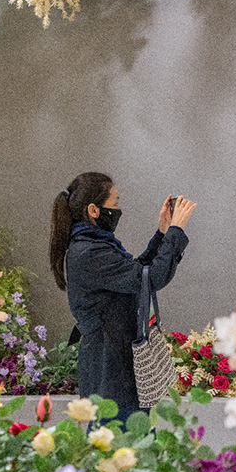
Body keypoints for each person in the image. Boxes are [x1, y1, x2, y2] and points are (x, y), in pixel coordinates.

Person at [49, 172, 196, 423]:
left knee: (125, 442)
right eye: (115, 204)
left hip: (113, 360)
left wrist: (162, 234)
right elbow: (152, 278)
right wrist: (175, 231)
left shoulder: (95, 245)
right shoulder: (89, 252)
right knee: (117, 442)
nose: (118, 210)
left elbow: (138, 275)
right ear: (94, 210)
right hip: (110, 368)